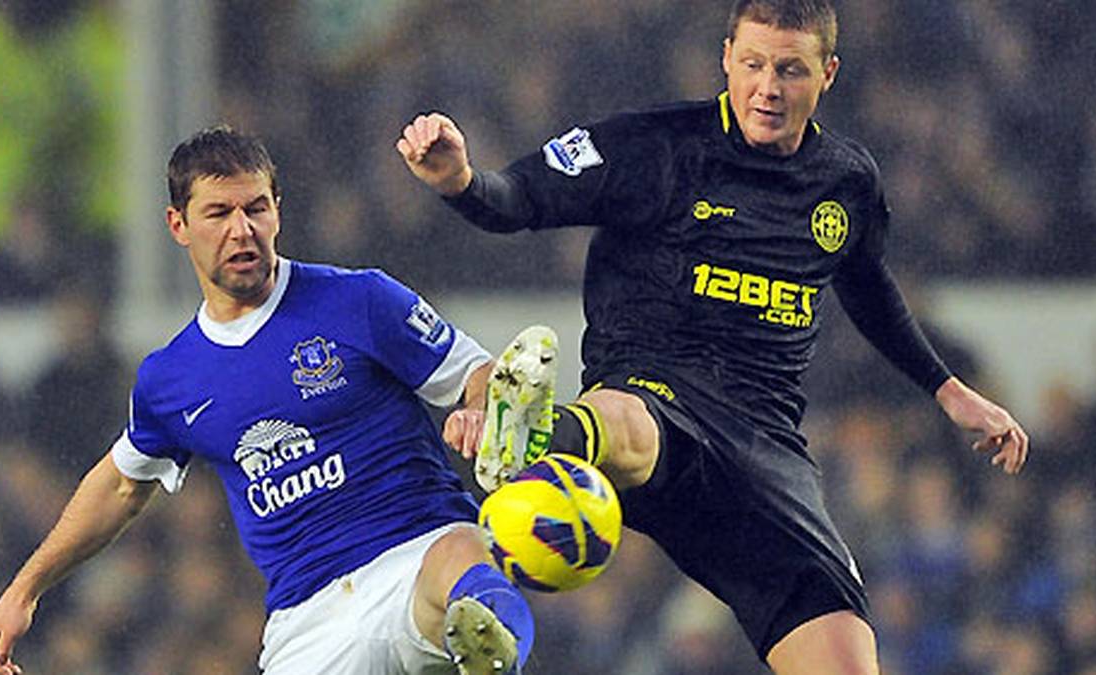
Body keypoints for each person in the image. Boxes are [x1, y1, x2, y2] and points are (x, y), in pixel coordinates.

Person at [397, 1, 1030, 673]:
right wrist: (460, 181)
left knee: (846, 656)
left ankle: (529, 433)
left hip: (765, 448)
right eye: (753, 64)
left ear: (828, 74)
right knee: (634, 422)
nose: (768, 87)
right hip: (653, 391)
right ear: (726, 56)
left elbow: (866, 286)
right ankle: (535, 433)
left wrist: (949, 390)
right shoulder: (652, 147)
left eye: (790, 70)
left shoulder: (846, 180)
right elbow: (520, 196)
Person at [0, 126, 534, 675]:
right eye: (219, 214)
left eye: (256, 209)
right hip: (309, 619)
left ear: (278, 213)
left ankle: (494, 643)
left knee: (467, 562)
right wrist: (24, 590)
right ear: (179, 225)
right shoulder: (171, 379)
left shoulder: (359, 299)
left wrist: (480, 410)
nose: (242, 230)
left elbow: (479, 374)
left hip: (417, 554)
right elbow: (122, 484)